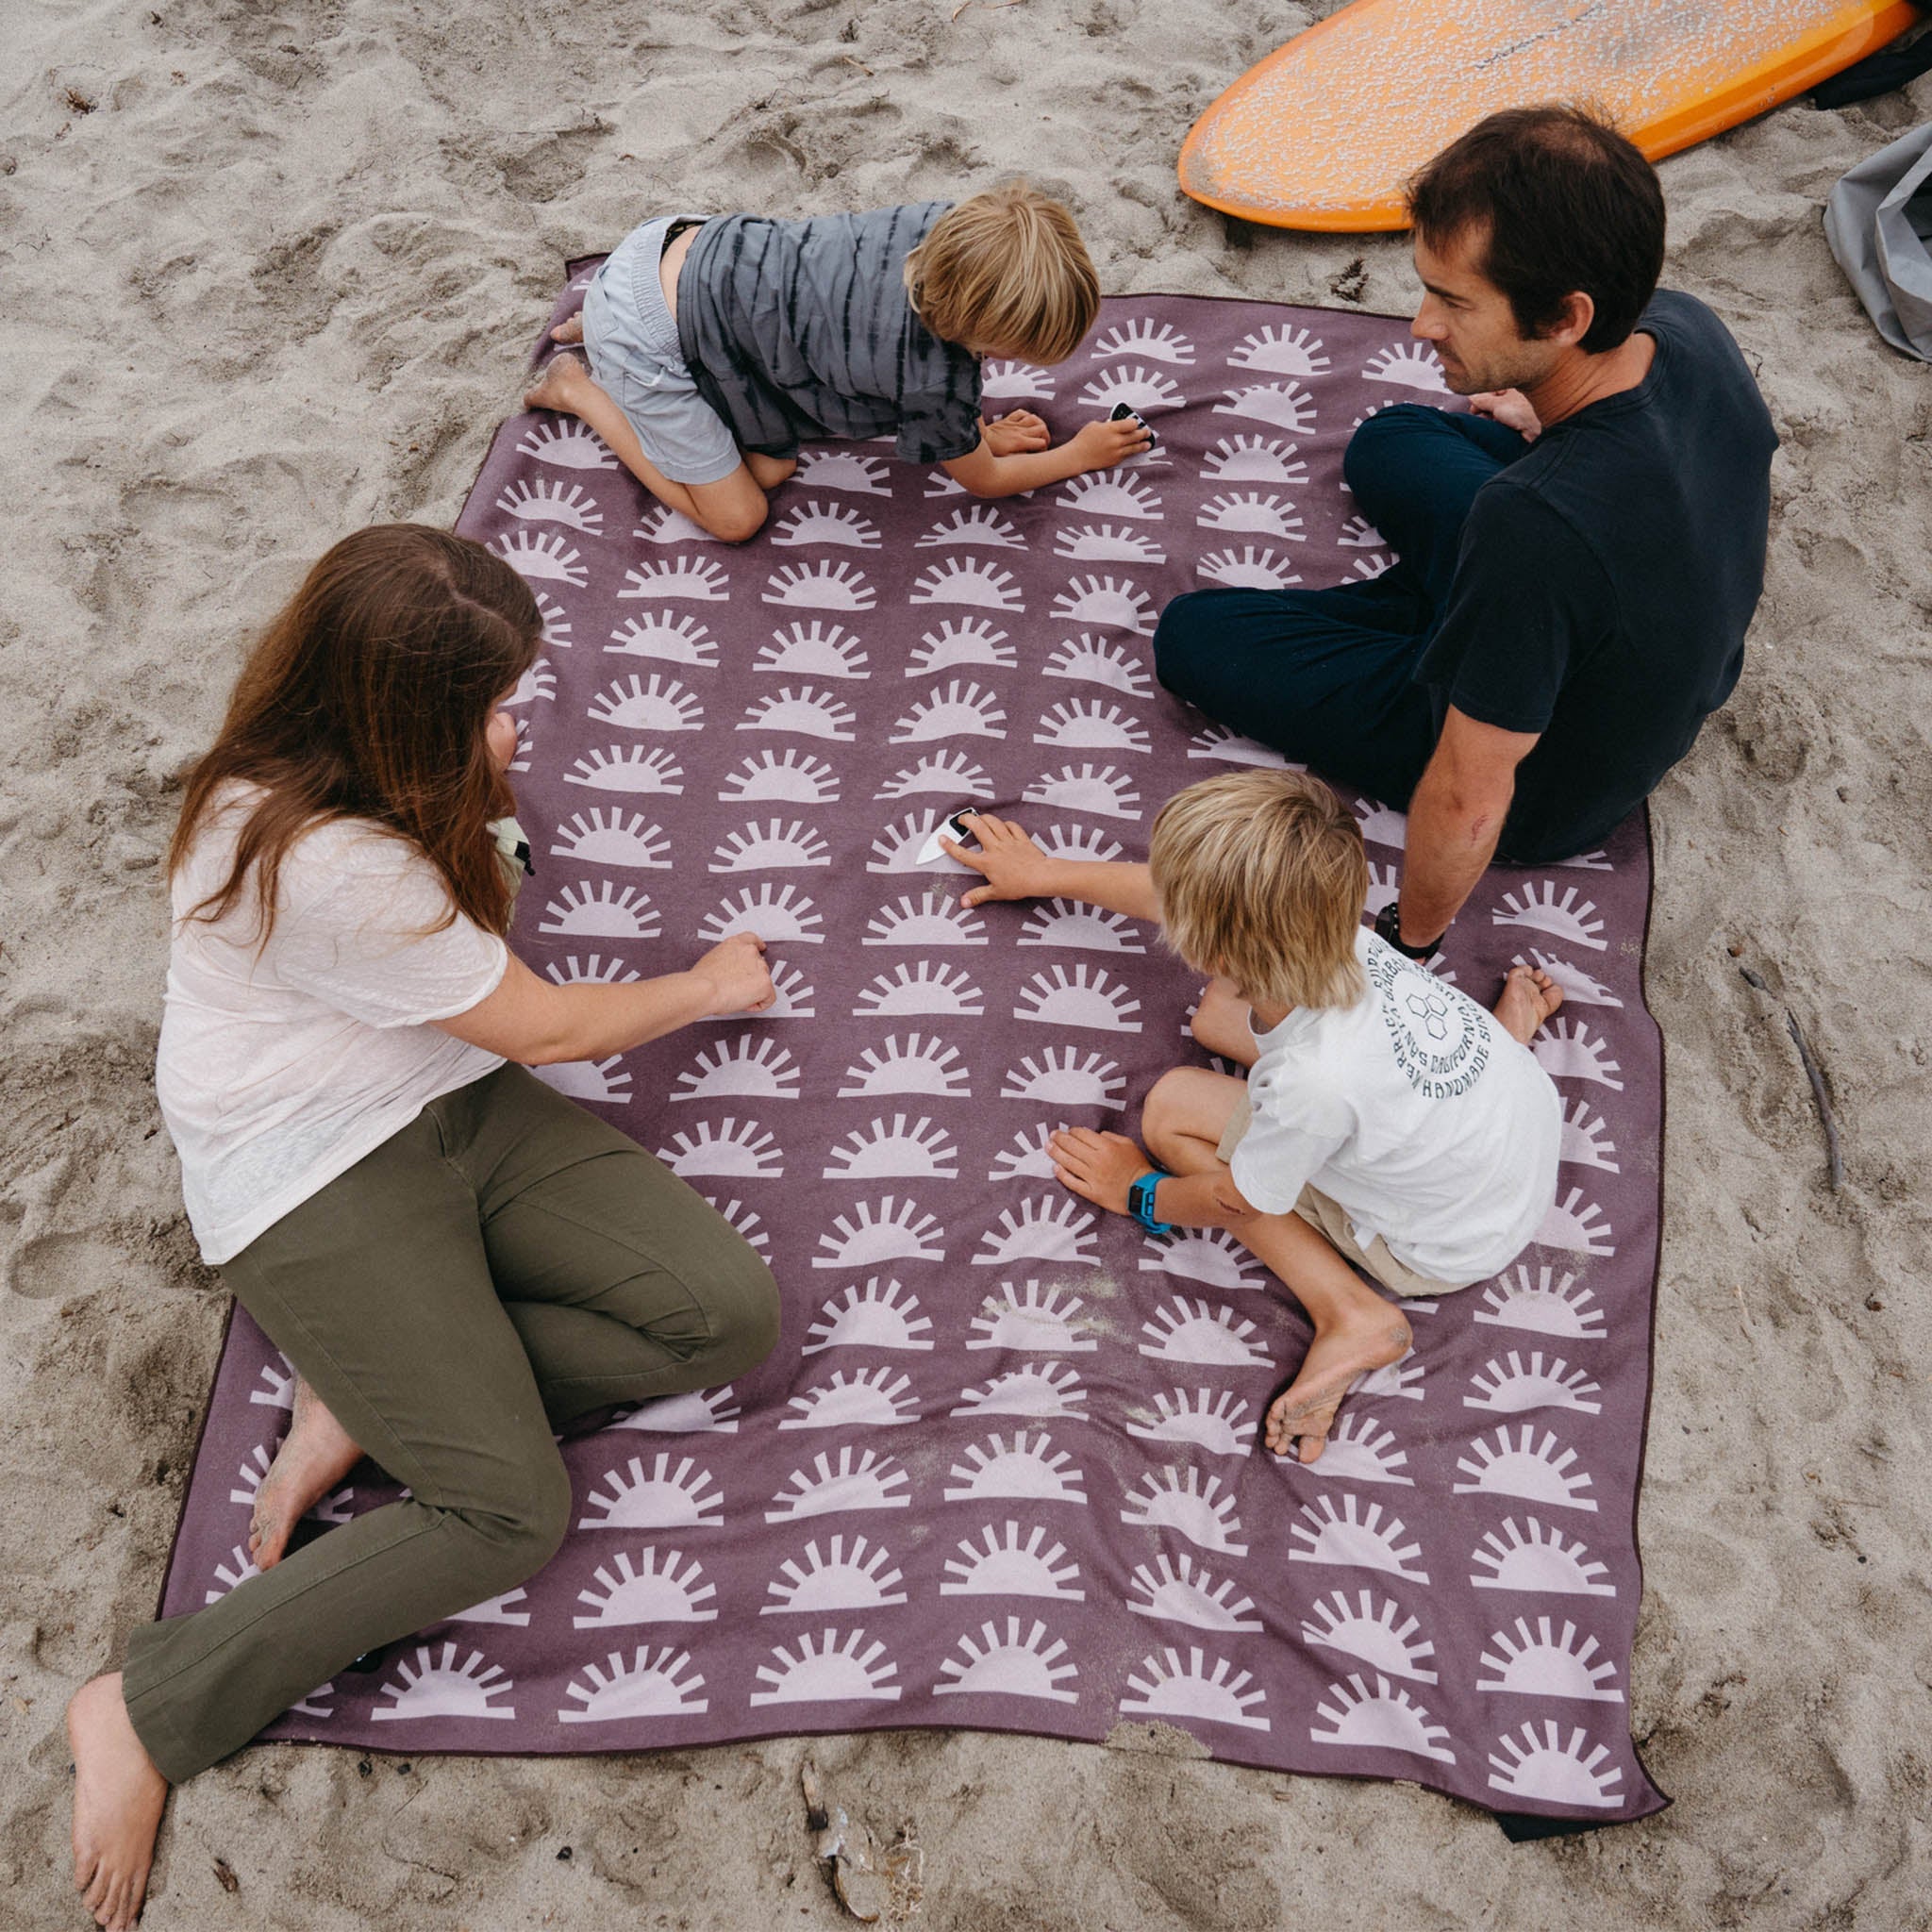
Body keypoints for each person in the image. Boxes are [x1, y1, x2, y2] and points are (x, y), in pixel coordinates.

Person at [66, 526, 783, 1932]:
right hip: (312, 1164)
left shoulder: (347, 759)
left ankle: (379, 1395)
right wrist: (706, 986)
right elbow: (552, 1021)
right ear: (408, 722)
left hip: (446, 1093)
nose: (522, 719)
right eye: (497, 704)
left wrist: (487, 787)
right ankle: (149, 1703)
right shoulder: (323, 857)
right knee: (508, 1512)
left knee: (726, 1314)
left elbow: (485, 984)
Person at [1153, 104, 1779, 965]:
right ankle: (1434, 603)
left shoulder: (1536, 525)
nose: (1421, 324)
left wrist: (1406, 947)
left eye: (1452, 300)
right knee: (1391, 439)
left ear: (1566, 317)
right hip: (1621, 628)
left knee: (1193, 635)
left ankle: (1422, 623)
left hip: (1555, 776)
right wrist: (1539, 413)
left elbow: (1470, 799)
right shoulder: (1684, 329)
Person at [941, 773, 1564, 1463]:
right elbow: (1191, 909)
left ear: (1213, 950)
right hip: (1514, 1119)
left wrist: (1139, 1193)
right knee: (1217, 1017)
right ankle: (1502, 1042)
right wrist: (1046, 873)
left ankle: (1352, 1315)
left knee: (1174, 1109)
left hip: (1449, 1238)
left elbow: (1234, 1199)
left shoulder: (1309, 1084)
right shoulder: (1342, 933)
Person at [523, 180, 1152, 541]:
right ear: (973, 333)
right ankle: (583, 386)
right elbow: (982, 482)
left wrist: (974, 433)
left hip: (675, 245)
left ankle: (602, 318)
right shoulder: (931, 381)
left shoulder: (934, 225)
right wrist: (1080, 455)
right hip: (649, 339)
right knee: (742, 513)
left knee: (769, 464)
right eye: (1015, 349)